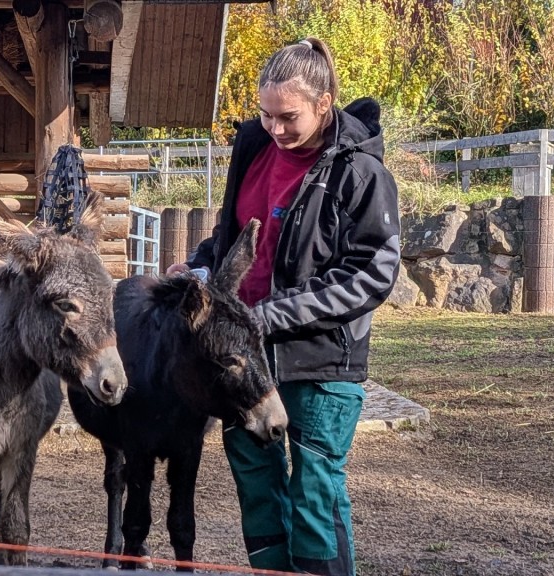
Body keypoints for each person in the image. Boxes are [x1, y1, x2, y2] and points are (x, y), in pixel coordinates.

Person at [168, 37, 400, 576]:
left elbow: (372, 273)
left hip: (321, 361)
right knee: (257, 490)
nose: (274, 128)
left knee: (315, 492)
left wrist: (271, 314)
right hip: (242, 360)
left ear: (324, 103)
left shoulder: (360, 173)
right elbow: (233, 238)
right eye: (266, 115)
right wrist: (199, 267)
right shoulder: (252, 150)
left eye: (288, 117)